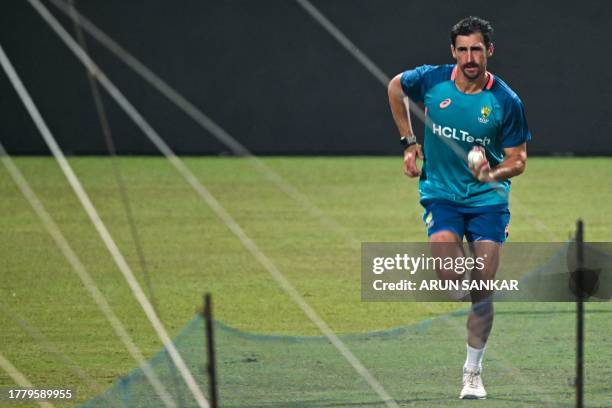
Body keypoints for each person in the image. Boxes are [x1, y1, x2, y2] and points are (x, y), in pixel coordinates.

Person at [387, 16, 531, 399]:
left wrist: (491, 174)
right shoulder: (431, 81)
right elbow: (395, 87)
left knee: (482, 288)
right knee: (450, 278)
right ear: (453, 51)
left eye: (477, 49)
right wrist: (408, 142)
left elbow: (518, 160)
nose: (470, 57)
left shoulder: (505, 100)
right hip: (442, 194)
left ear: (489, 51)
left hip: (488, 200)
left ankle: (472, 372)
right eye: (463, 49)